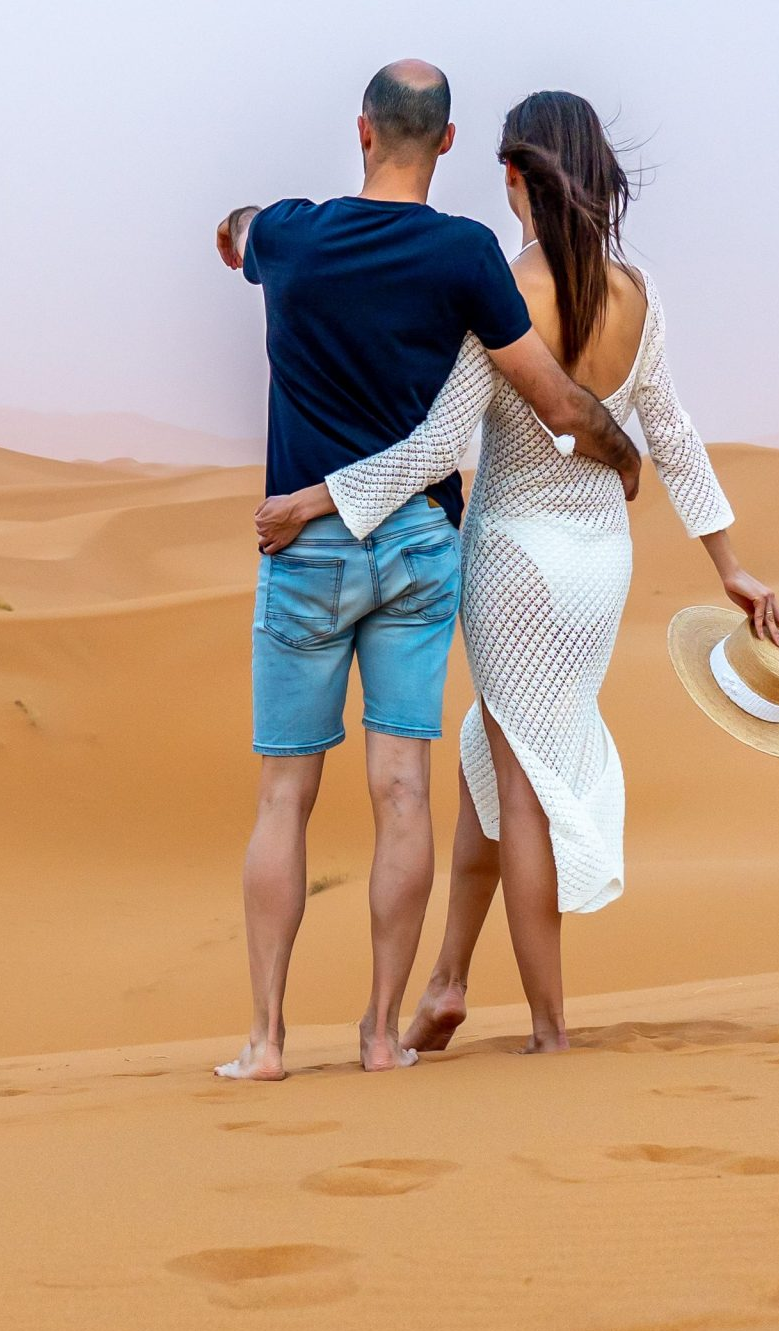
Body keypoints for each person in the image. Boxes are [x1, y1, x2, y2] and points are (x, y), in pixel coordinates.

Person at [256, 89, 779, 1054]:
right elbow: (669, 433)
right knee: (493, 769)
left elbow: (435, 450)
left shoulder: (504, 292)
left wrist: (317, 497)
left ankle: (550, 1031)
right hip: (598, 571)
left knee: (524, 780)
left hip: (513, 564)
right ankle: (448, 983)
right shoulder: (637, 294)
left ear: (513, 176)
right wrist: (731, 567)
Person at [215, 62, 641, 1082]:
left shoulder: (290, 234)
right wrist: (623, 456)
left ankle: (267, 1041)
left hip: (304, 544)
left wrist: (241, 228)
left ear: (361, 129)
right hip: (416, 548)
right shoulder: (464, 255)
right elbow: (551, 396)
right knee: (403, 788)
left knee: (284, 797)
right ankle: (376, 1035)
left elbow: (235, 229)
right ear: (446, 145)